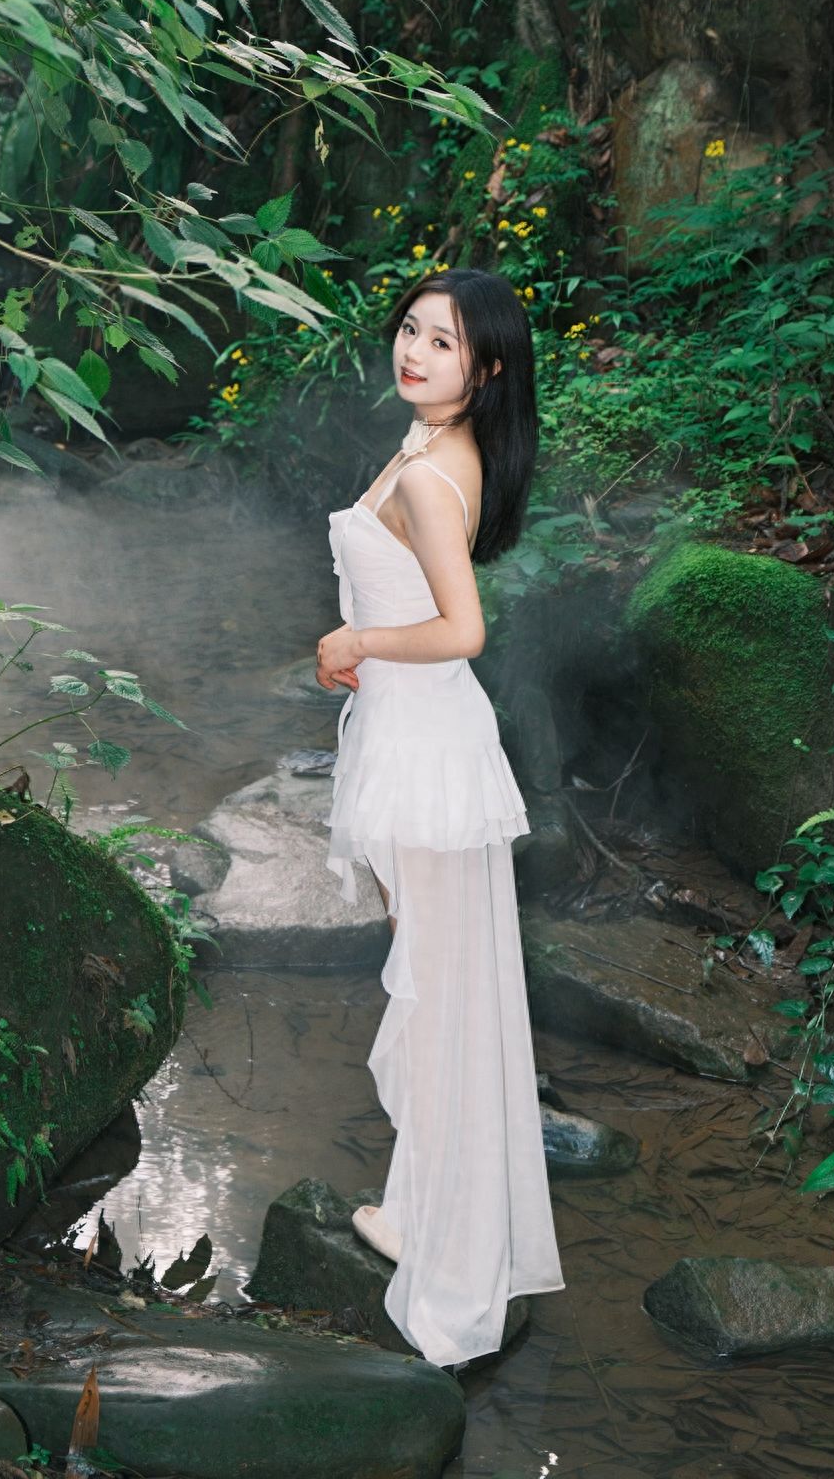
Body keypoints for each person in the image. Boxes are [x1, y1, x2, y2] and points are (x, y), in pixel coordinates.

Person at [316, 266, 565, 1371]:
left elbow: (461, 629)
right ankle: (422, 1213)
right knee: (435, 981)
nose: (413, 352)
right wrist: (367, 647)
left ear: (488, 369)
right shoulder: (430, 446)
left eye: (443, 343)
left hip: (425, 748)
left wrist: (358, 645)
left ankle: (455, 1274)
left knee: (445, 995)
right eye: (409, 330)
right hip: (409, 739)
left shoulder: (428, 474)